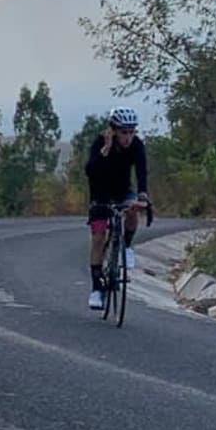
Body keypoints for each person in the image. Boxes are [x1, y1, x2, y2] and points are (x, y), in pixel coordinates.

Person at [84, 106, 150, 310]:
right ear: (113, 130)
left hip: (123, 190)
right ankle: (96, 289)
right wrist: (104, 151)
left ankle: (127, 246)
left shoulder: (136, 145)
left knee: (133, 210)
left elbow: (141, 171)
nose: (128, 137)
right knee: (98, 237)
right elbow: (90, 171)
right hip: (100, 192)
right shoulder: (101, 142)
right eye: (124, 132)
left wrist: (143, 195)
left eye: (131, 132)